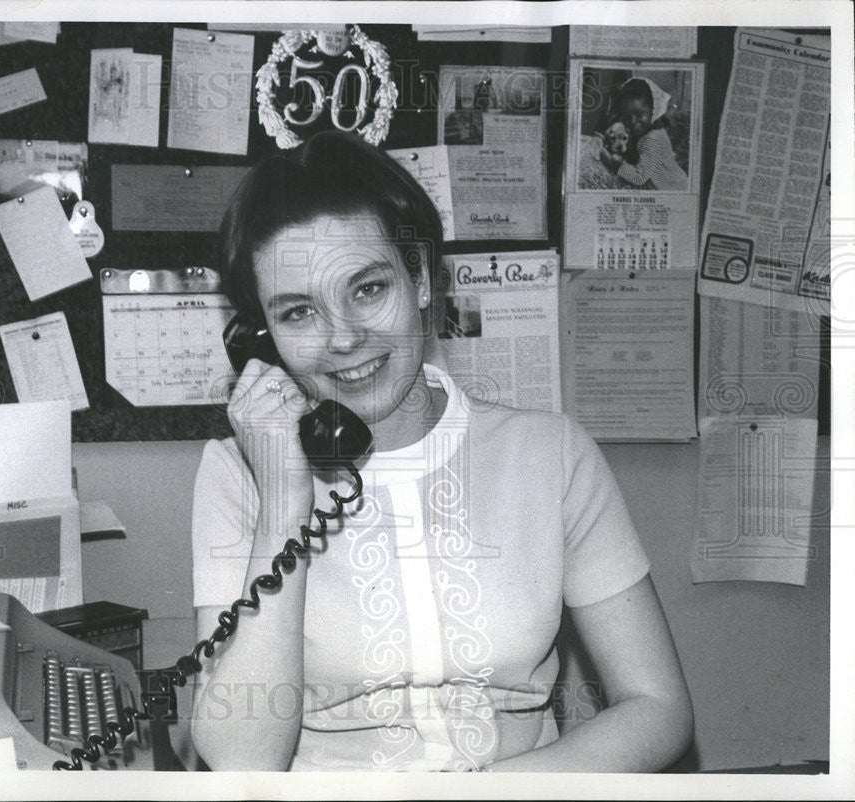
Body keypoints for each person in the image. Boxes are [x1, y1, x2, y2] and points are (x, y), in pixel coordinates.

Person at [190, 130, 693, 771]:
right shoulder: (236, 475)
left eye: (368, 289)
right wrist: (284, 500)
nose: (343, 340)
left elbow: (657, 706)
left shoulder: (550, 454)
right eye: (297, 313)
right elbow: (240, 763)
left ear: (422, 279)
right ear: (260, 336)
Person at [599, 77, 689, 191]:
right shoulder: (652, 131)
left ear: (653, 110)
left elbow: (639, 178)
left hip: (672, 191)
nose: (633, 121)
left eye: (639, 114)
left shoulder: (652, 139)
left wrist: (614, 165)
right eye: (627, 116)